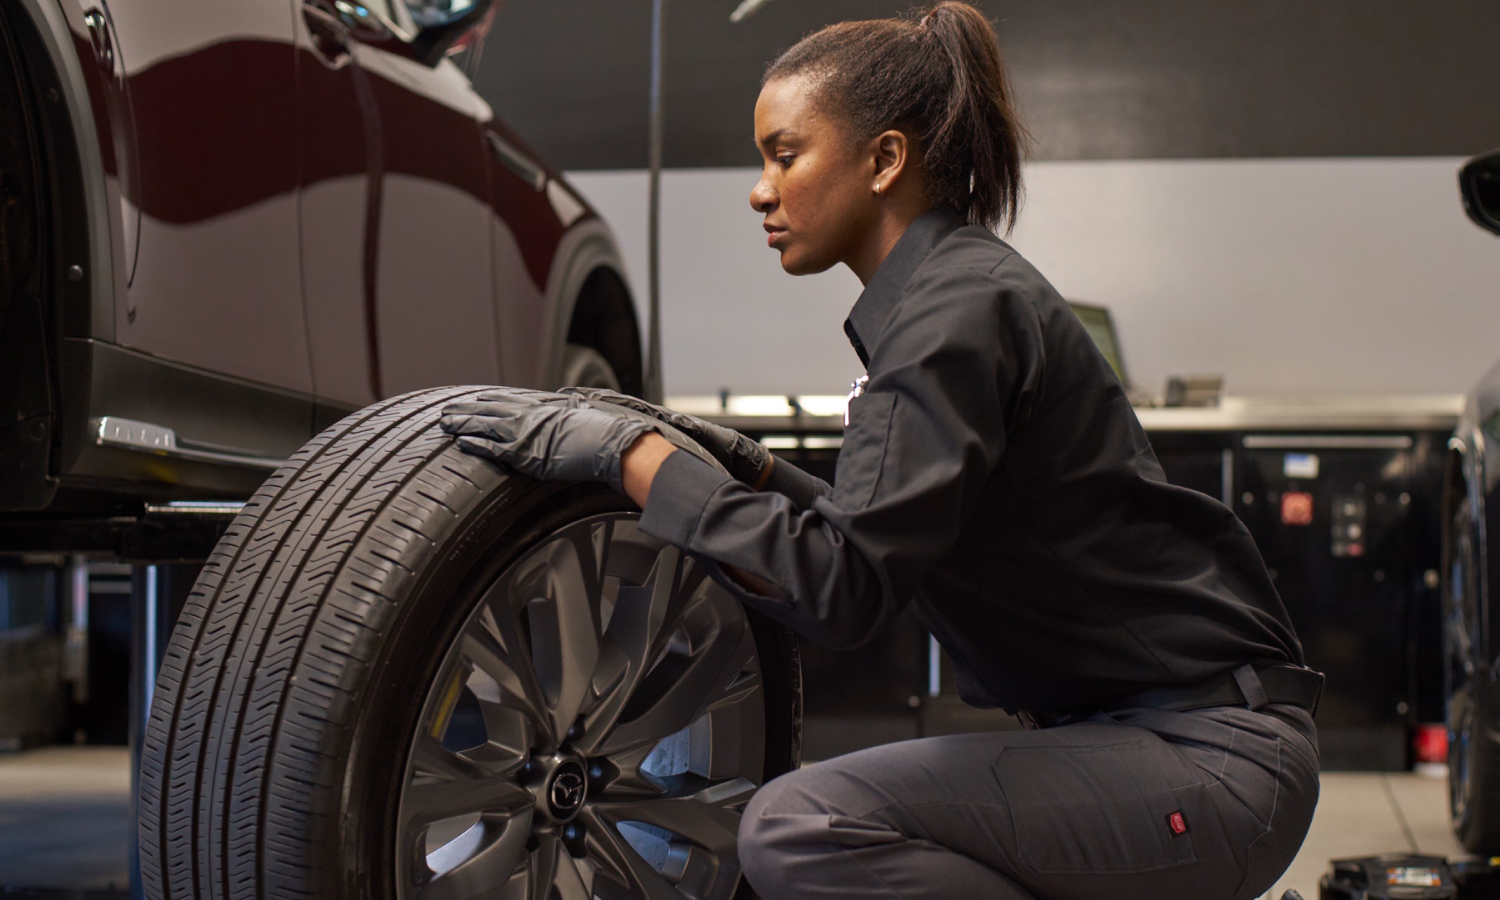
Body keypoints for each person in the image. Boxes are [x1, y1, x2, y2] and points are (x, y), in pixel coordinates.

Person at [440, 4, 1321, 898]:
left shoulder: (953, 316)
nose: (760, 189)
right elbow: (873, 531)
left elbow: (841, 586)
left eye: (785, 155)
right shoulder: (948, 298)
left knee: (801, 828)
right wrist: (739, 468)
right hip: (1149, 743)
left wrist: (631, 456)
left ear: (884, 160)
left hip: (1207, 762)